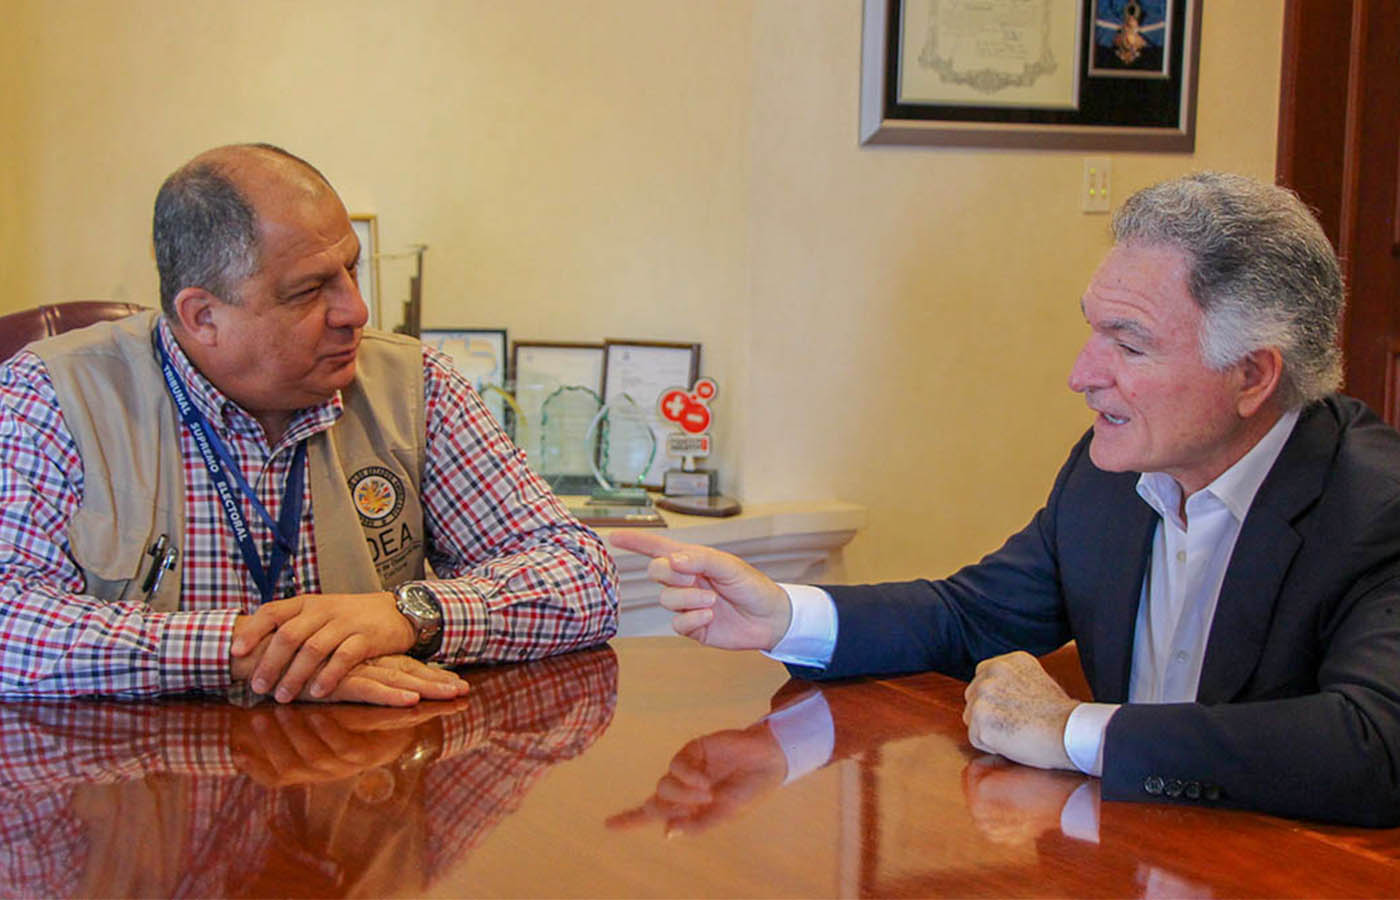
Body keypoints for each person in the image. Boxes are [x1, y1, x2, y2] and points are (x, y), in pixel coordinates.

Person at [614, 172, 1400, 827]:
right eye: (1092, 331)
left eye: (1128, 344)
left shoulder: (1378, 506)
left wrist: (1072, 732)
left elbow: (1374, 746)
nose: (1082, 374)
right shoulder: (1108, 476)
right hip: (1129, 859)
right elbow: (970, 616)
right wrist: (783, 615)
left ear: (1253, 375)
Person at [0, 143, 618, 706]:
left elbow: (583, 577)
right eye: (308, 290)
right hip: (142, 778)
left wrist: (409, 614)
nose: (356, 309)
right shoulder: (51, 395)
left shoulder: (416, 385)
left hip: (364, 772)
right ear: (203, 316)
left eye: (351, 269)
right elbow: (9, 620)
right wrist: (248, 652)